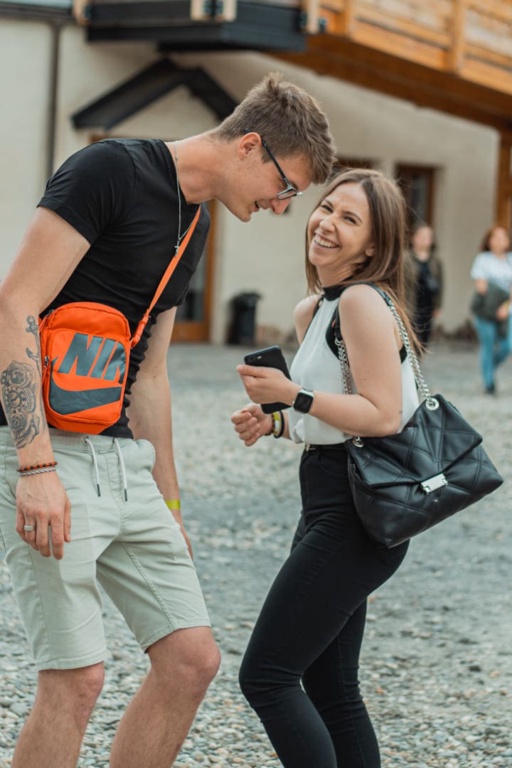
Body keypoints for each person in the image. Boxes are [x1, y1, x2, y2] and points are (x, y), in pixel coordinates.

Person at [0, 72, 336, 768]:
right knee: (76, 680)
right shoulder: (108, 171)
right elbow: (15, 305)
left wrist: (171, 504)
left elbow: (150, 373)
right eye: (285, 186)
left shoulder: (197, 222)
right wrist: (35, 466)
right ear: (250, 145)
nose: (282, 206)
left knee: (191, 660)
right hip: (47, 449)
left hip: (123, 458)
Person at [232, 168, 420, 768]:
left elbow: (383, 414)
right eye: (327, 208)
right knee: (332, 687)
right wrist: (278, 422)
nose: (328, 223)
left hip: (356, 515)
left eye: (350, 219)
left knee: (266, 676)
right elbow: (337, 418)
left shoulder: (362, 301)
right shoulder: (315, 308)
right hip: (329, 504)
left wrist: (292, 395)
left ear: (373, 245)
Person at [470, 224, 512, 394]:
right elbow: (481, 287)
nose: (499, 241)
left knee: (507, 346)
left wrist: (505, 306)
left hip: (507, 310)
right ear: (489, 241)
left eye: (502, 237)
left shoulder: (510, 260)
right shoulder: (483, 260)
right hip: (486, 311)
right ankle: (489, 382)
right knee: (488, 345)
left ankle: (488, 368)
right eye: (495, 237)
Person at [403, 223, 443, 347]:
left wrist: (438, 305)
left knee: (424, 338)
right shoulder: (405, 259)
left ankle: (419, 358)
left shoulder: (435, 261)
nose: (424, 240)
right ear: (413, 238)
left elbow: (440, 284)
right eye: (421, 236)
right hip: (411, 303)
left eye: (428, 237)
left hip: (428, 304)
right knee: (410, 337)